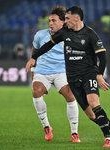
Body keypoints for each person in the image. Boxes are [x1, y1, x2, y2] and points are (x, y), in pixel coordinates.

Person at [26, 6, 110, 147]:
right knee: (92, 115)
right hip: (72, 78)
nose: (65, 21)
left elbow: (102, 57)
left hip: (88, 74)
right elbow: (47, 45)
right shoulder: (64, 33)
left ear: (76, 18)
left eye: (67, 18)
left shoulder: (90, 34)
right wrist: (34, 58)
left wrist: (99, 74)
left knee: (94, 103)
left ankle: (107, 139)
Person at [30, 6, 80, 142]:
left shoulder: (70, 36)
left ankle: (74, 133)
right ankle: (46, 126)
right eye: (49, 21)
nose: (50, 23)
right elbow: (35, 51)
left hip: (62, 72)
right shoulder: (40, 35)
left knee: (70, 95)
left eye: (53, 21)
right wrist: (33, 68)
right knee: (36, 91)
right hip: (42, 71)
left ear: (63, 22)